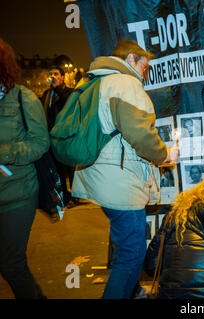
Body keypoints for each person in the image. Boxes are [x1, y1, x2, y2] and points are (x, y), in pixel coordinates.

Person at [71, 39, 179, 299]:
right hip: (120, 183)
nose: (146, 72)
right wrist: (166, 155)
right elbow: (140, 135)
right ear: (132, 59)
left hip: (103, 177)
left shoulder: (97, 81)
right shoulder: (125, 83)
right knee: (131, 254)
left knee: (126, 249)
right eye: (145, 66)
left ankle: (132, 292)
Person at [0, 38, 49, 298]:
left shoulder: (23, 97)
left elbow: (41, 143)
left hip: (17, 195)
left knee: (11, 264)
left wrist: (4, 153)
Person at [41, 66, 77, 207]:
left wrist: (58, 89)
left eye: (56, 74)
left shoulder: (69, 92)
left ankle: (75, 195)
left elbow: (67, 103)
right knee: (58, 170)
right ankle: (65, 196)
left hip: (66, 136)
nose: (53, 76)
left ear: (62, 77)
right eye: (51, 74)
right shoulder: (46, 94)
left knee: (70, 168)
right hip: (52, 137)